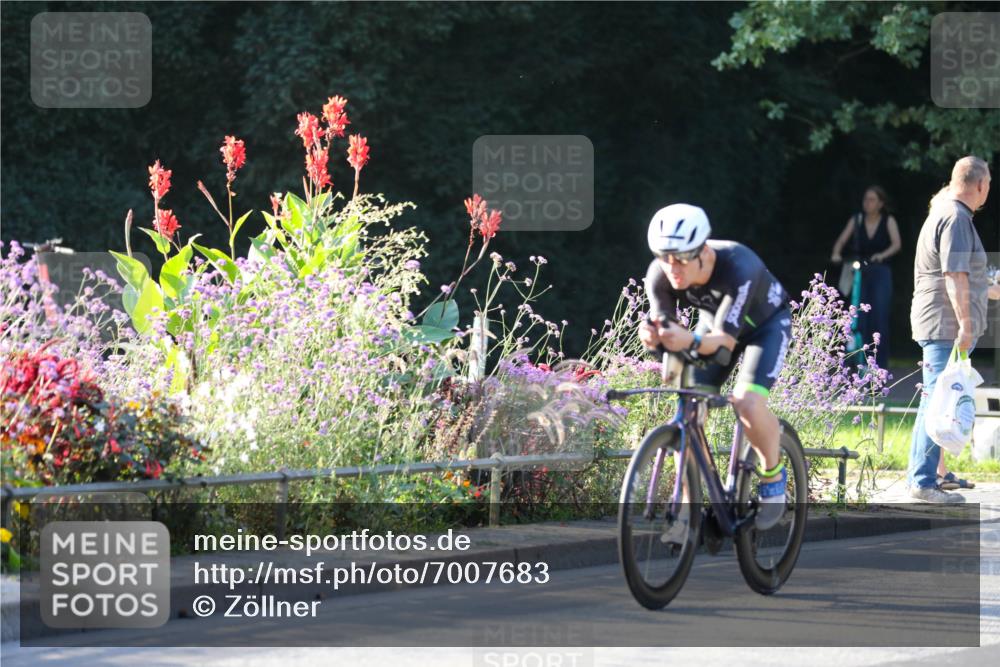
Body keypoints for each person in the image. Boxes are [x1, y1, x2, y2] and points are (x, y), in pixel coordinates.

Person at [639, 203, 792, 529]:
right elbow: (664, 323)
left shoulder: (739, 266)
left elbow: (724, 341)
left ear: (703, 252)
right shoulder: (660, 274)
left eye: (680, 258)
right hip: (716, 327)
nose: (671, 267)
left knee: (746, 401)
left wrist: (690, 341)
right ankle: (691, 503)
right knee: (688, 413)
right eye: (663, 257)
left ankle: (773, 475)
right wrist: (654, 336)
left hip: (764, 327)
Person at [908, 156, 998, 503]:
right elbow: (953, 275)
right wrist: (966, 324)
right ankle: (922, 482)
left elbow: (965, 275)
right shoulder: (957, 218)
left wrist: (989, 289)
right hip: (945, 324)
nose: (988, 189)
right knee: (936, 400)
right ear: (978, 185)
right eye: (988, 183)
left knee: (940, 397)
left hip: (941, 321)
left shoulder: (948, 213)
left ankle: (937, 474)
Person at [830, 186, 902, 370]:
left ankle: (878, 365)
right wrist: (837, 254)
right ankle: (852, 364)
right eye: (865, 199)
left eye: (871, 200)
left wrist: (882, 255)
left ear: (880, 203)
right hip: (859, 271)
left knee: (878, 317)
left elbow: (896, 244)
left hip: (880, 270)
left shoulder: (888, 220)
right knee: (856, 317)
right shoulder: (857, 220)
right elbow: (840, 241)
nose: (867, 203)